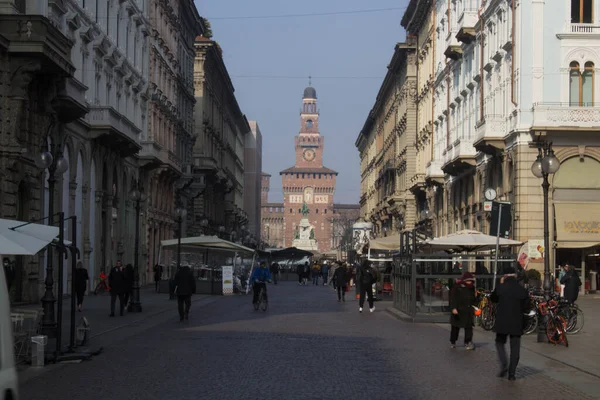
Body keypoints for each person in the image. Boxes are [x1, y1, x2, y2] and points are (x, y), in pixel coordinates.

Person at [491, 265, 528, 381]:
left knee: (499, 342)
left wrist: (500, 285)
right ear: (515, 276)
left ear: (504, 276)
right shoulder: (522, 290)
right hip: (516, 322)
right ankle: (512, 374)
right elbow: (527, 307)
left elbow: (493, 299)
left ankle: (503, 363)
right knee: (515, 348)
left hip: (502, 321)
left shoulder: (501, 287)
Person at [449, 271, 477, 350]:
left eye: (471, 281)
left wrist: (475, 307)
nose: (470, 282)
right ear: (464, 280)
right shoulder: (457, 287)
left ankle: (467, 342)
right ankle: (453, 341)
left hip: (468, 311)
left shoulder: (472, 288)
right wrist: (454, 308)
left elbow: (474, 299)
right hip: (458, 311)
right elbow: (453, 298)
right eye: (468, 280)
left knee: (469, 328)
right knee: (455, 328)